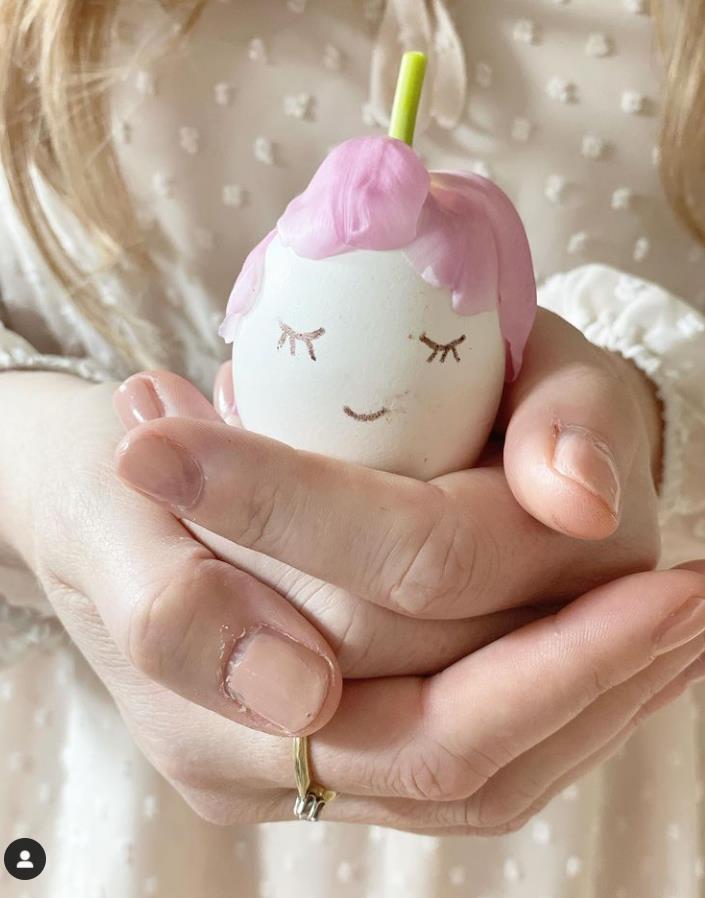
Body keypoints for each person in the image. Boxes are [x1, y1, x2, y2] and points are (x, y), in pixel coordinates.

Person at [0, 2, 703, 896]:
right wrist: (33, 473)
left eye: (442, 349)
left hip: (615, 781)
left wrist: (656, 421)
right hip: (93, 765)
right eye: (300, 340)